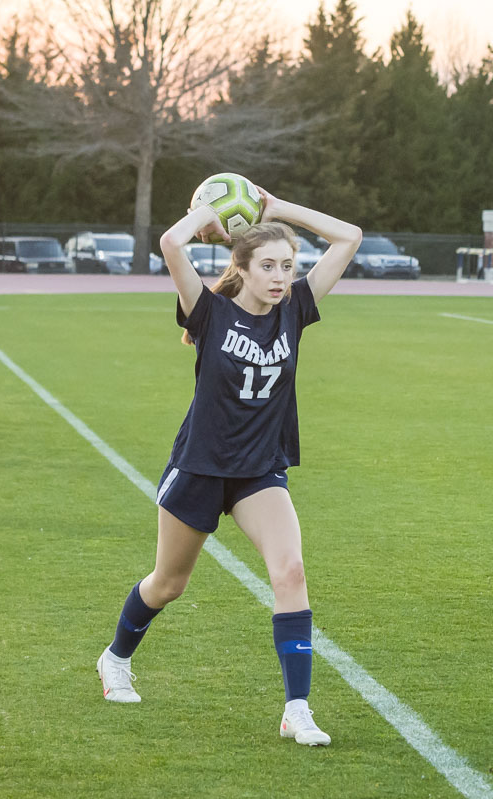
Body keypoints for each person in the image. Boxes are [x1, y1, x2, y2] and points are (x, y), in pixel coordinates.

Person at [95, 185, 362, 747]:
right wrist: (209, 217)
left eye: (287, 266)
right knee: (169, 584)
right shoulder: (209, 310)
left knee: (290, 571)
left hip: (259, 470)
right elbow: (172, 242)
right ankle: (115, 659)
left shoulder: (295, 310)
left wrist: (278, 209)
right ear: (240, 268)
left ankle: (297, 709)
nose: (279, 277)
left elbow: (349, 237)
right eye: (267, 265)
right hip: (199, 466)